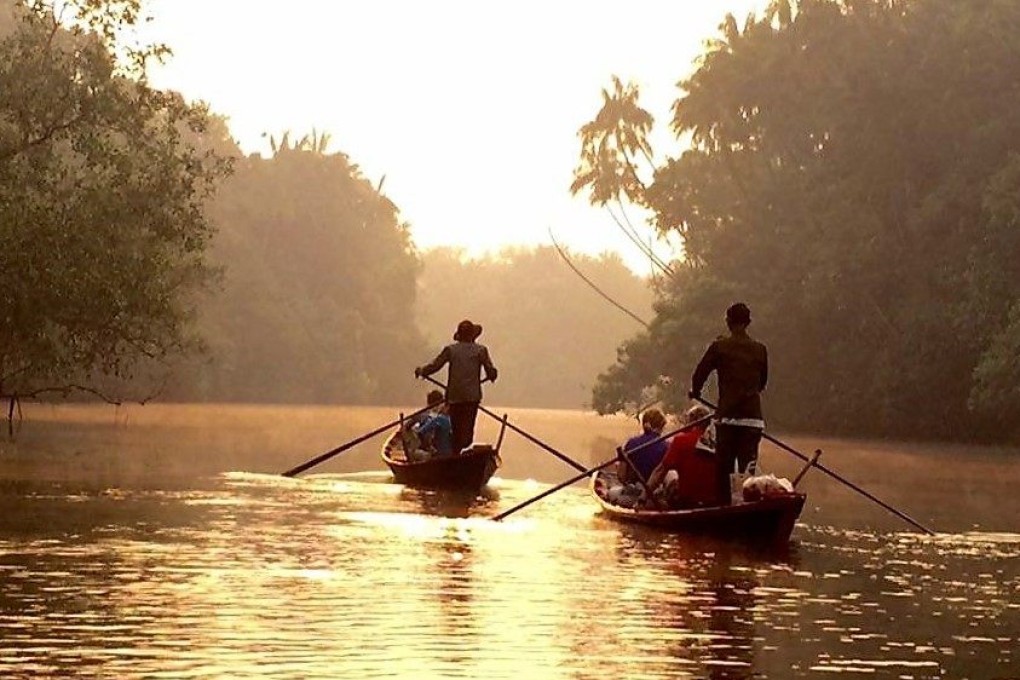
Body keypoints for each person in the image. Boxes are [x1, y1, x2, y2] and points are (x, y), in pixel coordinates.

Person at [690, 302, 768, 506]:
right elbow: (762, 383)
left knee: (723, 469)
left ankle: (724, 508)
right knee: (747, 472)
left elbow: (700, 373)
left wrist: (695, 392)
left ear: (728, 322)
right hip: (753, 421)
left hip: (728, 418)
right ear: (748, 322)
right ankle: (747, 507)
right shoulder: (760, 350)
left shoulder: (719, 347)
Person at [415, 319, 498, 454]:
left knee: (456, 431)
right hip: (471, 399)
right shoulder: (481, 351)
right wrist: (493, 375)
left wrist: (422, 371)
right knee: (467, 435)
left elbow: (434, 366)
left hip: (455, 397)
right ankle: (456, 455)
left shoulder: (451, 350)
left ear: (459, 336)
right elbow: (491, 371)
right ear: (472, 336)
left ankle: (453, 454)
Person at [647, 404, 720, 508]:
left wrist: (642, 499)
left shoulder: (680, 440)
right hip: (714, 502)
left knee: (669, 477)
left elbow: (660, 471)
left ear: (691, 421)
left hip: (688, 503)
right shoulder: (719, 443)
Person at [618, 407, 668, 485]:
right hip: (655, 492)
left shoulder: (631, 443)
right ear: (661, 426)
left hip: (633, 490)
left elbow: (621, 476)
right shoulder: (666, 446)